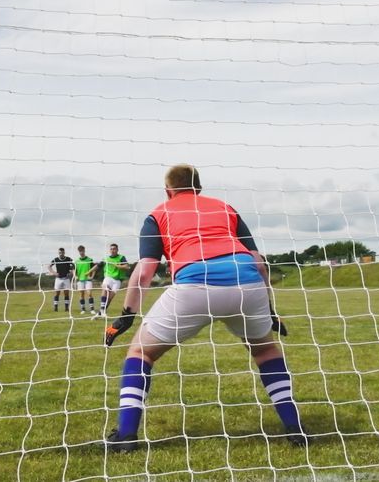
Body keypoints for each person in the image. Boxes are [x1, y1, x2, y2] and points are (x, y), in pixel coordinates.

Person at [104, 165, 304, 452]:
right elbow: (259, 262)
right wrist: (270, 310)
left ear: (168, 190)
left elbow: (145, 271)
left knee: (141, 352)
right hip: (246, 283)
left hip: (194, 286)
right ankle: (295, 426)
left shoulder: (158, 213)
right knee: (265, 350)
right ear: (199, 188)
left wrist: (126, 316)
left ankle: (125, 436)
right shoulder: (225, 208)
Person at [96, 243, 129, 317]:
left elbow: (127, 267)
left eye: (114, 249)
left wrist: (117, 265)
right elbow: (97, 266)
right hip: (108, 277)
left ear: (117, 250)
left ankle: (101, 312)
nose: (112, 250)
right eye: (111, 249)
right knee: (105, 289)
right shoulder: (106, 258)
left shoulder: (121, 257)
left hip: (117, 280)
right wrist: (89, 272)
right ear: (109, 250)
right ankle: (102, 309)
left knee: (110, 298)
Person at [48, 247, 74, 312]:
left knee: (66, 293)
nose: (61, 254)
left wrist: (70, 272)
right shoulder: (55, 259)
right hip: (58, 279)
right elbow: (49, 266)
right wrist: (54, 273)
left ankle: (66, 308)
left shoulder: (68, 259)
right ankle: (56, 308)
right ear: (58, 253)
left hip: (66, 279)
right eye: (60, 253)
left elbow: (74, 266)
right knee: (57, 293)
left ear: (64, 252)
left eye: (62, 252)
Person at [75, 245, 98, 314]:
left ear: (84, 251)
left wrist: (92, 276)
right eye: (80, 251)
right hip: (80, 280)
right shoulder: (77, 261)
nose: (81, 252)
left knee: (89, 293)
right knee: (81, 294)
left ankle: (92, 309)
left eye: (82, 251)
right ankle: (83, 309)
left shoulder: (89, 260)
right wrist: (75, 276)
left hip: (88, 280)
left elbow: (95, 268)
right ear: (78, 252)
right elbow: (74, 271)